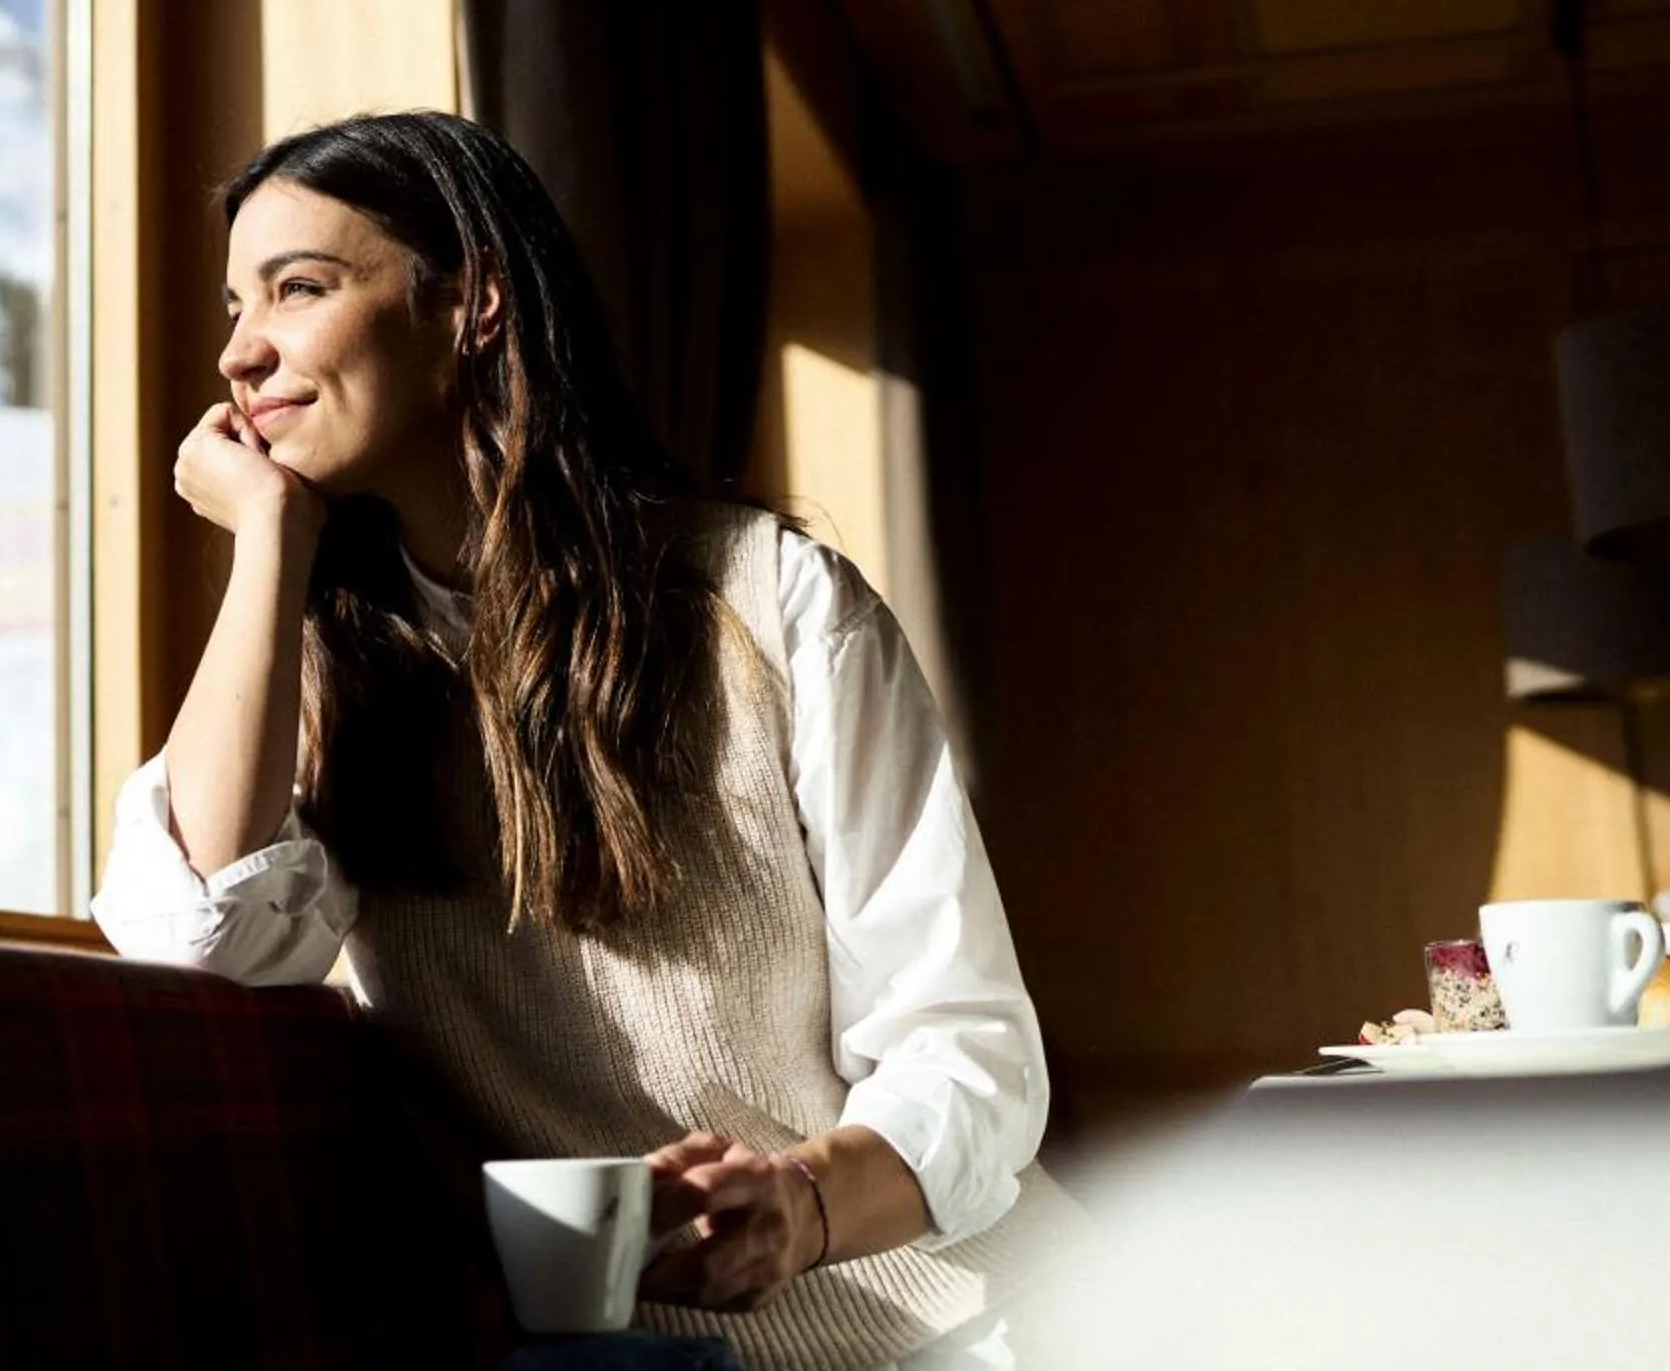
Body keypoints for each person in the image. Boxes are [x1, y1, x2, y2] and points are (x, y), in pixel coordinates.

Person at [94, 112, 1059, 1370]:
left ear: (473, 304)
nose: (239, 350)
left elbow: (968, 1044)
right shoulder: (317, 669)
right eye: (235, 303)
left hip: (958, 1330)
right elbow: (200, 946)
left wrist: (802, 1207)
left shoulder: (770, 599)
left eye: (302, 288)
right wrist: (269, 542)